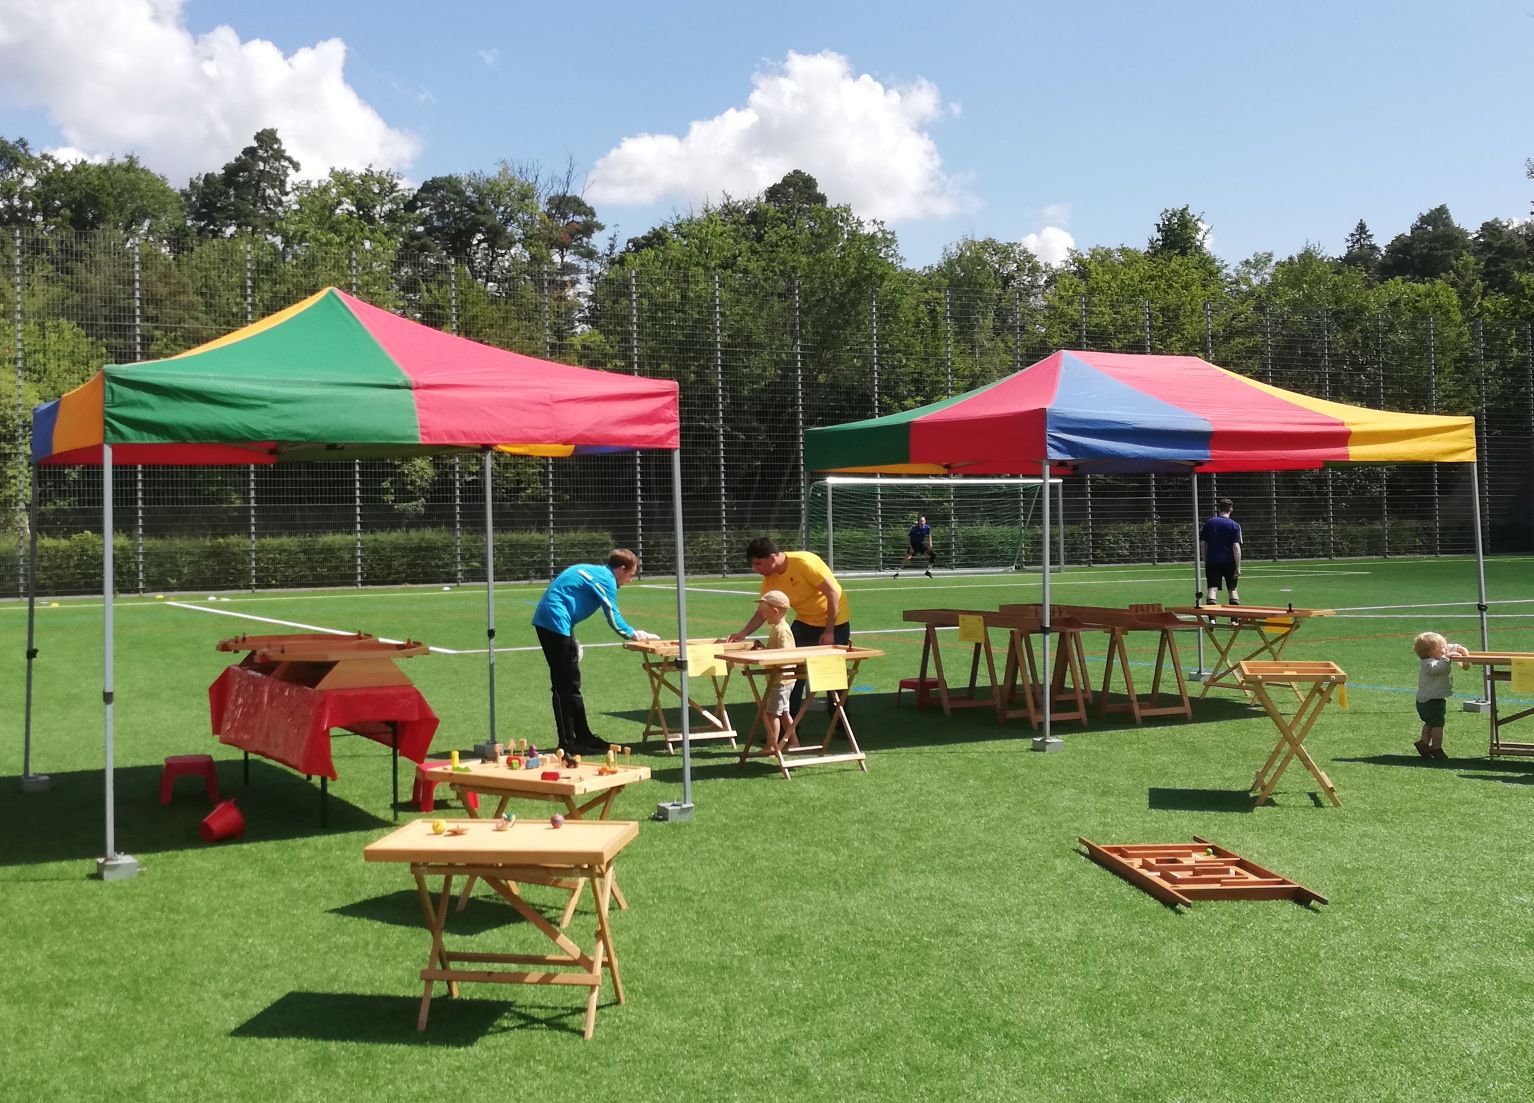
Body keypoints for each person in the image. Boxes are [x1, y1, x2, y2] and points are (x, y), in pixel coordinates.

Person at [531, 548, 659, 755]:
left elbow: (564, 595)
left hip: (554, 624)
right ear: (621, 568)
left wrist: (571, 639)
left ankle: (583, 736)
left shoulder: (594, 571)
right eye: (630, 575)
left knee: (572, 684)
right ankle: (569, 742)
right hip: (554, 624)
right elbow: (612, 613)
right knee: (565, 685)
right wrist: (633, 634)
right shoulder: (606, 579)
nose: (629, 580)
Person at [727, 536, 851, 716]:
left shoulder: (804, 562)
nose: (756, 569)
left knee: (832, 676)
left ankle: (840, 725)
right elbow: (763, 611)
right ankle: (788, 729)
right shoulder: (770, 578)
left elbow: (833, 593)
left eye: (758, 564)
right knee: (790, 672)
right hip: (805, 621)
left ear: (772, 557)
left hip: (835, 622)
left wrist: (829, 631)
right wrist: (743, 633)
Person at [751, 590, 800, 754]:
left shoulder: (781, 630)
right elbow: (776, 651)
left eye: (765, 613)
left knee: (772, 714)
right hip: (781, 678)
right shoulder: (777, 628)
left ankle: (772, 746)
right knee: (784, 713)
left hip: (781, 679)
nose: (764, 617)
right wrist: (764, 650)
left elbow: (784, 654)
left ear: (775, 611)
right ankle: (794, 742)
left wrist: (767, 656)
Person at [1413, 631, 1468, 759]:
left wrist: (1459, 648)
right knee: (1437, 725)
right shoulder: (1428, 663)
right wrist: (1447, 657)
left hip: (1427, 700)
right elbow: (1437, 668)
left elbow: (1446, 648)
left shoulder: (1437, 654)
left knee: (1430, 723)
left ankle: (1424, 743)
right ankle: (1436, 748)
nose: (1446, 649)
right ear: (1432, 653)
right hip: (1431, 701)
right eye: (1442, 648)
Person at [1199, 497, 1242, 605]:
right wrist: (1238, 566)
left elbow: (1203, 543)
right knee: (1232, 589)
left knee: (1212, 589)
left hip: (1213, 560)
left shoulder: (1209, 523)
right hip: (1229, 561)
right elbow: (1236, 546)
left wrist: (1205, 559)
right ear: (1231, 509)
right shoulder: (1235, 525)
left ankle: (1212, 620)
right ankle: (1234, 620)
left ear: (1219, 509)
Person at [893, 514, 936, 579]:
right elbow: (909, 539)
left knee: (933, 554)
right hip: (913, 545)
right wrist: (911, 548)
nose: (922, 523)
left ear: (925, 521)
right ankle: (898, 573)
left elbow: (929, 535)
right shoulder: (914, 529)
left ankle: (928, 571)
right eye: (921, 521)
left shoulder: (927, 527)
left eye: (923, 521)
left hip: (921, 544)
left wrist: (930, 544)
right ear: (918, 522)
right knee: (908, 558)